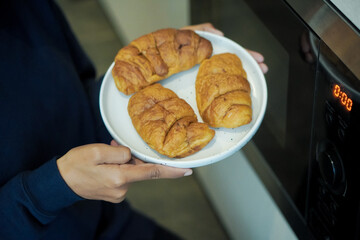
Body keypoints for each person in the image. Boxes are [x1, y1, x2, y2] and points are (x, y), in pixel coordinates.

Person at [0, 0, 268, 239]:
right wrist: (51, 189)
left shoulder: (26, 8)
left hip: (110, 219)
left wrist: (166, 54)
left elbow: (74, 99)